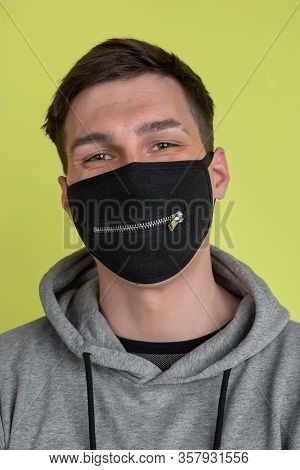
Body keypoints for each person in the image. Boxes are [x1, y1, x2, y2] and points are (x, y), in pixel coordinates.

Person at [0, 38, 299, 451]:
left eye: (163, 145)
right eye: (98, 157)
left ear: (217, 175)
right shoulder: (6, 380)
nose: (134, 184)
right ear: (69, 200)